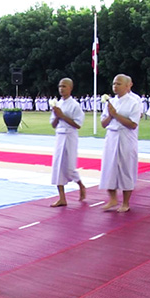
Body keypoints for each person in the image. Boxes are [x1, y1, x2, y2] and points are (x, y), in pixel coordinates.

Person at [99, 74, 141, 212]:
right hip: (111, 136)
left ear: (126, 85)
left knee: (126, 168)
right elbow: (103, 123)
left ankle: (126, 202)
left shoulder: (133, 102)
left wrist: (116, 115)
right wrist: (111, 115)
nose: (115, 86)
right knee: (109, 167)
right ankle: (112, 199)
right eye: (114, 84)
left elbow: (133, 124)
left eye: (118, 84)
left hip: (126, 137)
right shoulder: (110, 102)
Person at [49, 78, 86, 207]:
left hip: (70, 135)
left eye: (64, 86)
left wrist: (62, 115)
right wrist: (57, 116)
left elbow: (78, 124)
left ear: (70, 88)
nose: (61, 89)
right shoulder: (57, 104)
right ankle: (62, 197)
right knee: (58, 165)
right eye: (60, 86)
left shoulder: (75, 105)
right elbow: (53, 124)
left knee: (69, 166)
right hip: (59, 135)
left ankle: (80, 184)